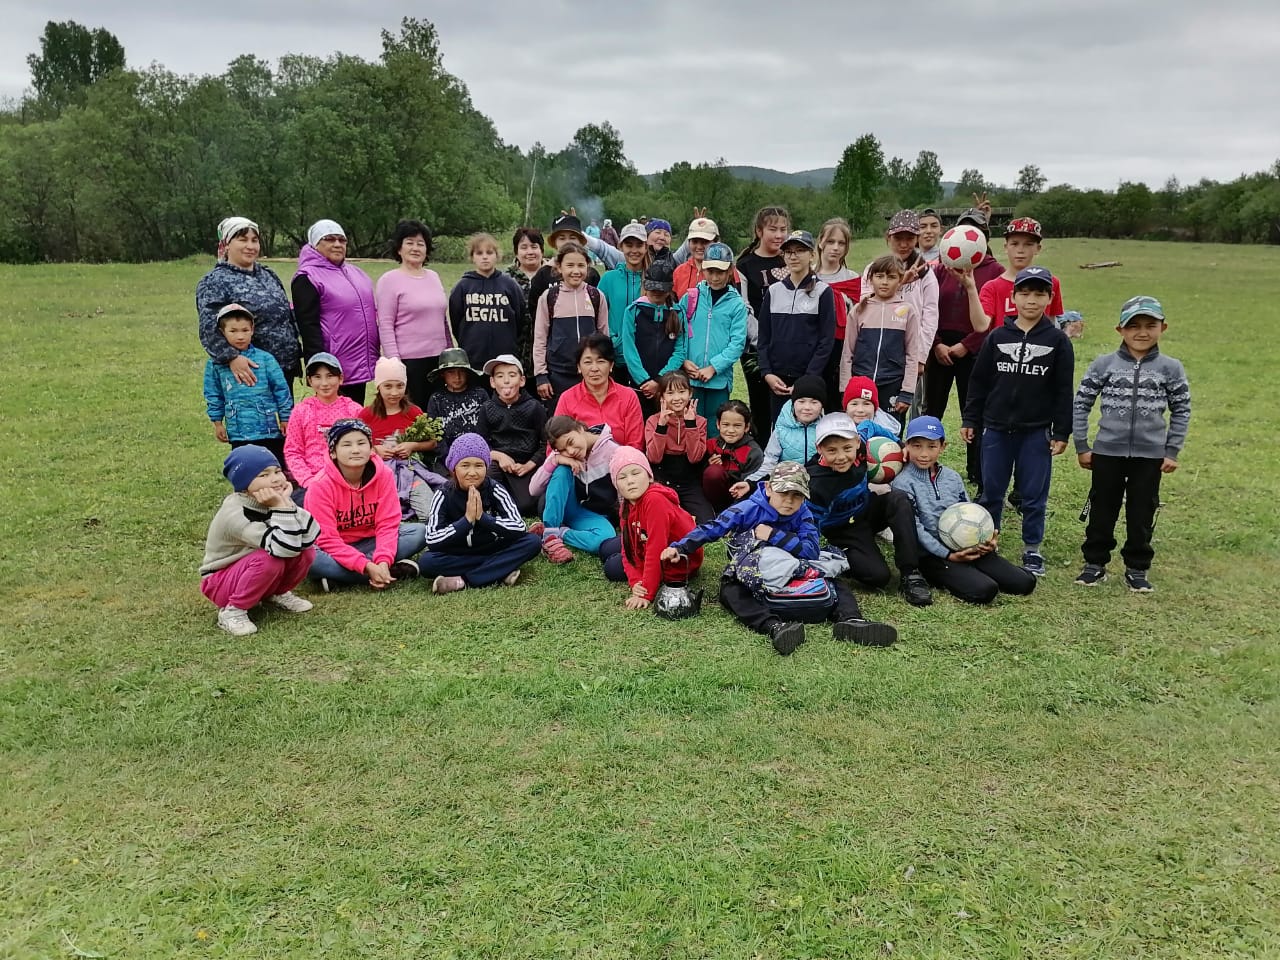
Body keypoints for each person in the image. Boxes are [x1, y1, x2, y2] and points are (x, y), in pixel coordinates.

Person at [662, 462, 898, 655]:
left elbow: (811, 551)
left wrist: (773, 535)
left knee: (836, 583)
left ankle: (852, 621)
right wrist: (680, 548)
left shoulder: (803, 514)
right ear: (768, 488)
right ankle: (775, 627)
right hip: (752, 571)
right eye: (783, 493)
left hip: (793, 567)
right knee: (730, 590)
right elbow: (713, 528)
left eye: (797, 495)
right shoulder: (747, 508)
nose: (789, 501)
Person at [961, 267, 1075, 578]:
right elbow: (979, 382)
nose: (1031, 300)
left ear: (1050, 298)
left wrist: (1062, 431)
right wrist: (971, 418)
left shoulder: (1058, 341)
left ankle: (1032, 549)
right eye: (1024, 293)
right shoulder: (997, 337)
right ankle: (987, 542)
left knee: (1033, 494)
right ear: (1013, 297)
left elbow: (1063, 390)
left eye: (1039, 294)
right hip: (996, 429)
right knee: (991, 491)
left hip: (1035, 431)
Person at [1073, 296, 1191, 592]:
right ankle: (1094, 563)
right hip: (1107, 452)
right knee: (1102, 508)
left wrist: (1172, 450)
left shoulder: (1171, 368)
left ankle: (1137, 567)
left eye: (1150, 325)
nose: (1142, 332)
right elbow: (1082, 403)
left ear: (1163, 328)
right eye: (1134, 326)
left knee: (1142, 511)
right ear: (1120, 330)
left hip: (1150, 456)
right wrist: (1082, 445)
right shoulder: (1104, 364)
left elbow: (1181, 409)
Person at [893, 416, 1036, 603]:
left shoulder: (952, 478)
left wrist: (985, 541)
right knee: (985, 590)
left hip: (965, 546)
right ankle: (945, 573)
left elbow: (971, 514)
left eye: (931, 446)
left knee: (1025, 583)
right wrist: (949, 555)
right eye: (917, 446)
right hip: (934, 556)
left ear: (943, 447)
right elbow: (917, 528)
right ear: (907, 446)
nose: (924, 453)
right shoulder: (903, 483)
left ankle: (974, 567)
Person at [805, 413, 932, 606]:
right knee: (878, 577)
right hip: (843, 530)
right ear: (819, 448)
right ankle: (839, 555)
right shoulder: (816, 483)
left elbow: (868, 426)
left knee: (898, 499)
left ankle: (911, 573)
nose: (841, 457)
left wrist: (901, 444)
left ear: (857, 442)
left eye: (847, 448)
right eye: (831, 450)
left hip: (866, 509)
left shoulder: (863, 446)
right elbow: (809, 525)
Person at [199, 445, 318, 637]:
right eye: (264, 475)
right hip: (219, 582)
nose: (275, 479)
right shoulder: (236, 514)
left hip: (254, 567)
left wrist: (287, 504)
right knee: (270, 559)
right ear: (244, 483)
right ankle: (232, 611)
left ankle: (276, 593)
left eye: (277, 471)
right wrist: (281, 508)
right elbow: (282, 548)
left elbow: (310, 535)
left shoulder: (273, 499)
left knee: (306, 551)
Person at [924, 208, 1001, 483]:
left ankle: (976, 470)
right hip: (939, 348)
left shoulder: (995, 271)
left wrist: (966, 346)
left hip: (975, 351)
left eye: (976, 229)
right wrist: (937, 344)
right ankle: (925, 463)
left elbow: (991, 320)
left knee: (974, 410)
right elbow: (929, 308)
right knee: (932, 408)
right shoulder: (941, 268)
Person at [304, 419, 427, 590]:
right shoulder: (319, 485)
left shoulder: (384, 475)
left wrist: (383, 560)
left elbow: (387, 524)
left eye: (361, 443)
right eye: (346, 444)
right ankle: (391, 572)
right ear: (333, 452)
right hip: (333, 548)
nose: (355, 450)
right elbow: (326, 539)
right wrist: (366, 566)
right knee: (308, 557)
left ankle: (342, 577)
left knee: (420, 532)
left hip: (371, 541)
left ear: (371, 449)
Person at [419, 433, 543, 594]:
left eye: (479, 465)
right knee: (427, 562)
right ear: (454, 468)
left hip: (491, 547)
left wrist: (483, 518)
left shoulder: (494, 488)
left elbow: (519, 526)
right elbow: (432, 539)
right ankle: (499, 570)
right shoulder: (443, 494)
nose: (472, 472)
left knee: (532, 542)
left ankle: (464, 580)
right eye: (465, 465)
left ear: (486, 467)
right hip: (458, 552)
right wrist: (466, 521)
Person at [196, 216, 302, 385]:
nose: (250, 246)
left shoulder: (268, 275)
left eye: (254, 240)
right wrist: (232, 357)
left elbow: (285, 315)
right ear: (226, 244)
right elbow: (209, 329)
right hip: (250, 371)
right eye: (243, 240)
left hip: (283, 368)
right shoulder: (215, 281)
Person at [293, 219, 379, 404]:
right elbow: (308, 327)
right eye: (330, 239)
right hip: (333, 365)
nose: (338, 244)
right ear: (315, 244)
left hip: (360, 361)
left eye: (342, 240)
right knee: (333, 415)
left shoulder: (357, 273)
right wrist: (318, 366)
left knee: (354, 412)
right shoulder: (307, 277)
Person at [528, 414, 625, 575]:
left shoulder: (613, 452)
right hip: (566, 506)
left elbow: (623, 494)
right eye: (563, 450)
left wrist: (626, 523)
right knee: (562, 470)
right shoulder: (562, 455)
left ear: (580, 428)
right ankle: (550, 537)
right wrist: (556, 460)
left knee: (605, 538)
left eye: (571, 442)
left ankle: (559, 532)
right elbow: (533, 489)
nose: (571, 451)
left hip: (593, 515)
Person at [758, 230, 837, 423]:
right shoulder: (774, 291)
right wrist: (767, 373)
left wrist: (808, 378)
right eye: (789, 252)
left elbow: (826, 341)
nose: (794, 256)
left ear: (812, 255)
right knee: (780, 427)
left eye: (800, 250)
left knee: (808, 429)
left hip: (809, 379)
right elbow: (764, 337)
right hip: (777, 380)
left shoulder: (823, 291)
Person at [611, 446, 703, 610]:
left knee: (612, 567)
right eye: (622, 477)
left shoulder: (655, 500)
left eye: (636, 473)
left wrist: (646, 592)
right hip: (644, 547)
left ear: (649, 476)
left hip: (675, 563)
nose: (630, 481)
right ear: (616, 485)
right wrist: (636, 581)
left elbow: (656, 547)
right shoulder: (626, 505)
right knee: (609, 555)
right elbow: (627, 548)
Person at [374, 219, 451, 409]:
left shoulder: (434, 277)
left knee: (438, 412)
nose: (415, 248)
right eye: (410, 243)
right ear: (399, 248)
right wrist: (395, 364)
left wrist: (450, 354)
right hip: (409, 362)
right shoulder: (389, 280)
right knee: (413, 413)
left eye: (420, 244)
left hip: (439, 360)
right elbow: (385, 324)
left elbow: (442, 319)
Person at [203, 304, 293, 464]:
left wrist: (285, 418)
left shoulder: (266, 359)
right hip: (238, 432)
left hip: (268, 430)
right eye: (233, 331)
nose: (240, 336)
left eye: (245, 330)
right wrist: (217, 423)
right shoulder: (215, 364)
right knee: (245, 467)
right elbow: (213, 394)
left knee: (273, 466)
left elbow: (281, 390)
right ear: (222, 332)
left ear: (252, 330)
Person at [839, 254, 924, 418]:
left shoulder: (908, 311)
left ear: (900, 280)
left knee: (891, 431)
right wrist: (845, 387)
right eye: (879, 276)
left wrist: (907, 392)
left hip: (892, 384)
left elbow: (912, 355)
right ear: (870, 279)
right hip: (860, 383)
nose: (885, 282)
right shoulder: (859, 310)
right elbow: (847, 353)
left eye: (891, 277)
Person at [360, 356, 442, 523]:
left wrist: (413, 446)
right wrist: (374, 450)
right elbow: (355, 445)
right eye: (388, 386)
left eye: (400, 386)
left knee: (429, 512)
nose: (394, 392)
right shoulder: (366, 415)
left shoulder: (413, 412)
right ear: (378, 386)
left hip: (409, 472)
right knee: (374, 515)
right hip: (377, 474)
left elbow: (433, 442)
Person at [678, 242, 748, 437]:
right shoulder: (690, 298)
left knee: (716, 427)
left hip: (719, 380)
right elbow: (678, 332)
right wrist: (684, 361)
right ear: (703, 269)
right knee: (689, 424)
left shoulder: (737, 305)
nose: (715, 277)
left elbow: (737, 343)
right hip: (690, 378)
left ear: (730, 271)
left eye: (720, 272)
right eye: (710, 271)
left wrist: (714, 367)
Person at [860, 210, 939, 381]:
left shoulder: (925, 273)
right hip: (877, 346)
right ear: (888, 237)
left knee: (908, 396)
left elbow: (930, 315)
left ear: (916, 239)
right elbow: (866, 306)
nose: (903, 244)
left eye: (909, 238)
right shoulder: (873, 269)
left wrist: (920, 356)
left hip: (910, 349)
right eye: (898, 238)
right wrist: (901, 283)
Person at [736, 205, 791, 438]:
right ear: (759, 231)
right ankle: (760, 452)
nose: (779, 235)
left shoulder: (790, 259)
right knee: (760, 407)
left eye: (783, 229)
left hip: (788, 345)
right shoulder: (744, 265)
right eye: (772, 229)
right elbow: (743, 307)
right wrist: (765, 340)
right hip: (756, 347)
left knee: (787, 405)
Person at [533, 241, 609, 406]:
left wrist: (606, 369)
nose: (576, 271)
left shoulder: (596, 296)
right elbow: (540, 338)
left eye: (581, 265)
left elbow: (604, 337)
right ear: (559, 267)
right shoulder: (549, 297)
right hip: (558, 374)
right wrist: (541, 375)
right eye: (570, 265)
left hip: (590, 375)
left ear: (587, 267)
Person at [283, 353, 364, 500]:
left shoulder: (354, 410)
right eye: (317, 377)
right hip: (311, 481)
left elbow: (363, 449)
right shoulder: (301, 411)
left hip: (348, 480)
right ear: (310, 381)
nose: (324, 383)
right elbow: (293, 451)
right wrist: (308, 481)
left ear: (340, 378)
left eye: (330, 376)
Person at [475, 354, 547, 516]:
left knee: (525, 506)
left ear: (522, 381)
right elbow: (480, 444)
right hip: (498, 463)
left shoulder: (534, 407)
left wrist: (530, 464)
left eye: (512, 375)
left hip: (525, 465)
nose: (506, 381)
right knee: (488, 474)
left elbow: (546, 443)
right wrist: (499, 456)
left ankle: (508, 504)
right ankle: (492, 505)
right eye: (500, 376)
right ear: (492, 382)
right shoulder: (487, 408)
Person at [735, 375, 827, 495]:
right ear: (793, 403)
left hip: (818, 487)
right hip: (787, 487)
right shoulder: (781, 430)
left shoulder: (827, 429)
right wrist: (750, 483)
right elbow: (769, 463)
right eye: (801, 401)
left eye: (814, 402)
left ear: (822, 405)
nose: (807, 407)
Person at [552, 333, 645, 450]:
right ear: (579, 367)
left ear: (611, 365)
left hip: (622, 459)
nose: (594, 368)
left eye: (601, 361)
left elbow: (636, 445)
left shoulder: (628, 396)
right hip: (578, 460)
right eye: (588, 362)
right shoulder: (567, 399)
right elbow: (555, 446)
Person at [619, 260, 688, 416]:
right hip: (639, 386)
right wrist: (644, 380)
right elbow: (629, 350)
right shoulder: (633, 311)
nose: (656, 292)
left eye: (661, 289)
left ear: (670, 288)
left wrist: (659, 381)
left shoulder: (678, 313)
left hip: (668, 387)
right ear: (645, 285)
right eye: (652, 288)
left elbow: (680, 351)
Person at [448, 232, 525, 372]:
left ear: (497, 255)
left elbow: (519, 318)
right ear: (472, 257)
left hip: (505, 357)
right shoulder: (462, 287)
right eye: (479, 253)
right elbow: (456, 321)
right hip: (473, 357)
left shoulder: (510, 285)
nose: (485, 257)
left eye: (489, 252)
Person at [644, 372, 712, 523]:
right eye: (670, 393)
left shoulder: (700, 421)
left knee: (706, 521)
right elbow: (654, 458)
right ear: (662, 397)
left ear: (690, 393)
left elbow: (695, 458)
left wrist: (691, 425)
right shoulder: (653, 421)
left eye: (682, 392)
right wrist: (661, 427)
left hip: (689, 479)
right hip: (662, 477)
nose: (677, 398)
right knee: (660, 516)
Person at [815, 217, 861, 405]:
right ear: (820, 243)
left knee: (838, 399)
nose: (836, 248)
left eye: (841, 243)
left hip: (842, 348)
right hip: (813, 346)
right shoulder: (808, 277)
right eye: (830, 241)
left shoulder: (853, 279)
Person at [597, 221, 650, 377]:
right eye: (629, 245)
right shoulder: (609, 278)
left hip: (645, 359)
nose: (634, 250)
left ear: (646, 247)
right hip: (615, 358)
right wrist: (612, 340)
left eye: (639, 245)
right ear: (621, 246)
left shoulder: (653, 280)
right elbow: (597, 315)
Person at [528, 213, 602, 313]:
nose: (567, 242)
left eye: (572, 238)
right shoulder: (543, 275)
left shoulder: (591, 274)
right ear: (554, 243)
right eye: (562, 238)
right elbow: (535, 310)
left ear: (580, 241)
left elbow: (599, 308)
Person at [426, 348, 488, 467]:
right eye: (451, 372)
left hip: (479, 454)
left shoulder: (480, 394)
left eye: (462, 371)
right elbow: (435, 435)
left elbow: (488, 428)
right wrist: (449, 459)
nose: (457, 377)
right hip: (446, 457)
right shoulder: (436, 399)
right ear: (442, 374)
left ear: (467, 373)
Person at [702, 400, 763, 513]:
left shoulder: (753, 452)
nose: (730, 430)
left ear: (746, 427)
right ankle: (712, 511)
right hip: (712, 500)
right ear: (718, 424)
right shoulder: (710, 445)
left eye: (737, 426)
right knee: (713, 472)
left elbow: (752, 484)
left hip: (741, 499)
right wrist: (707, 465)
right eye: (726, 425)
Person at [672, 215, 731, 297]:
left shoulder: (726, 270)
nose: (699, 247)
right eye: (695, 241)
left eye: (705, 241)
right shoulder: (679, 272)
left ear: (717, 242)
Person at [842, 377, 904, 441]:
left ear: (875, 409)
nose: (860, 410)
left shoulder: (886, 432)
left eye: (866, 404)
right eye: (854, 404)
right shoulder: (838, 429)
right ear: (846, 408)